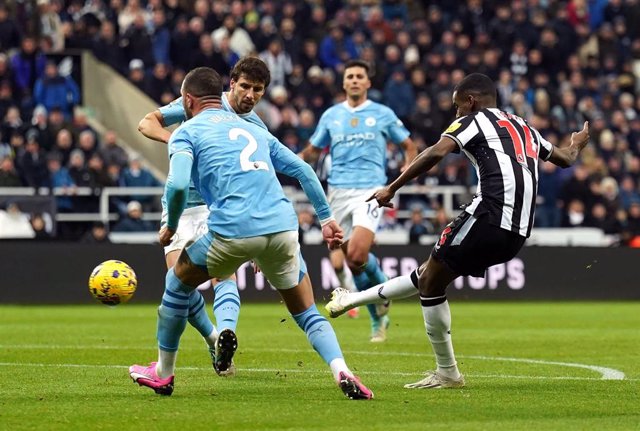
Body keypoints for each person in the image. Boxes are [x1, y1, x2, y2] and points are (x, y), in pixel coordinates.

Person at [325, 73, 591, 389]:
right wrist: (576, 142)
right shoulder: (525, 127)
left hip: (488, 215)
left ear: (471, 101)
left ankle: (447, 373)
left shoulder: (473, 121)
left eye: (456, 107)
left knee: (430, 281)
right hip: (517, 233)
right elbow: (564, 157)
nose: (455, 114)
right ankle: (351, 300)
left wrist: (392, 188)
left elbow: (435, 153)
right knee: (428, 276)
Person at [129, 67, 373, 400]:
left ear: (187, 100)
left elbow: (177, 184)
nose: (251, 95)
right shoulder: (253, 129)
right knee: (305, 311)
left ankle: (163, 373)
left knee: (177, 282)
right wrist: (327, 220)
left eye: (258, 89)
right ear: (226, 90)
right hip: (283, 227)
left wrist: (169, 223)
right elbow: (303, 169)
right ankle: (341, 369)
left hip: (230, 226)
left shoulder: (188, 130)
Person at [137, 56, 271, 377]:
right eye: (245, 87)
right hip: (181, 207)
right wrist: (181, 141)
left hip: (219, 206)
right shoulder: (198, 103)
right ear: (231, 84)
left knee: (221, 277)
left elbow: (261, 179)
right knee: (180, 284)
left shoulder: (256, 127)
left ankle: (225, 333)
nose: (250, 95)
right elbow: (146, 123)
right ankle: (215, 338)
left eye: (258, 90)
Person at [299, 59, 418, 342]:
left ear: (367, 83)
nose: (353, 80)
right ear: (343, 83)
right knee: (350, 263)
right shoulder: (331, 116)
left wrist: (406, 169)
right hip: (337, 193)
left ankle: (382, 293)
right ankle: (379, 310)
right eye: (349, 76)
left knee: (357, 255)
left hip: (370, 191)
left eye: (359, 76)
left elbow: (409, 146)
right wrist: (291, 161)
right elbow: (313, 151)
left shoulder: (382, 114)